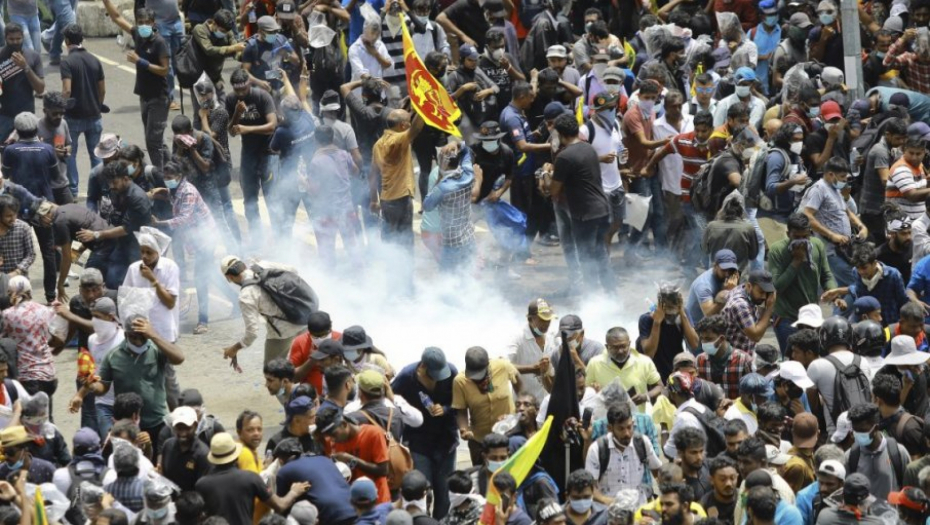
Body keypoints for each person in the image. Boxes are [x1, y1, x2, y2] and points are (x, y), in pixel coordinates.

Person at [72, 315, 184, 456]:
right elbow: (103, 388)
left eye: (142, 337)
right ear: (126, 335)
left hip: (156, 421)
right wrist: (91, 387)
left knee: (158, 462)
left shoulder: (156, 350)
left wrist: (154, 335)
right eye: (134, 337)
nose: (138, 342)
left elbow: (179, 358)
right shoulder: (113, 356)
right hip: (128, 426)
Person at [546, 112, 615, 293]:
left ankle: (591, 300)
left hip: (585, 215)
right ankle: (611, 295)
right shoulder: (589, 148)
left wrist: (545, 175)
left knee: (586, 259)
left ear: (560, 134)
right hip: (603, 209)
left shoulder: (564, 156)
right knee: (600, 256)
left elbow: (553, 190)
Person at [99, 1, 170, 171]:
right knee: (155, 138)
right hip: (144, 96)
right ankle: (171, 167)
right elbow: (117, 17)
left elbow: (164, 70)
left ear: (153, 24)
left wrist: (141, 62)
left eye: (147, 23)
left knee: (152, 141)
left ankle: (161, 176)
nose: (143, 26)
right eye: (140, 23)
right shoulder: (138, 35)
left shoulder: (159, 43)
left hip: (159, 97)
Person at [391, 347, 458, 519]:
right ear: (422, 368)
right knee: (422, 490)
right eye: (432, 377)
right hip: (419, 443)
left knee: (444, 492)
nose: (436, 381)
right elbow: (391, 400)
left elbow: (459, 402)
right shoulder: (406, 376)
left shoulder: (451, 372)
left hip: (446, 442)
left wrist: (445, 409)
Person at [2, 112, 60, 304]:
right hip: (43, 206)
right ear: (36, 129)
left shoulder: (10, 151)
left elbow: (7, 175)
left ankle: (14, 293)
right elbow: (55, 176)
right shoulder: (47, 149)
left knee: (16, 251)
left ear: (17, 130)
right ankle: (51, 295)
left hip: (17, 209)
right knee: (48, 251)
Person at [195, 433, 309, 525]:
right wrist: (294, 492)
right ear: (236, 455)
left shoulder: (201, 484)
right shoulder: (251, 478)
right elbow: (280, 505)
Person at [370, 109, 425, 294]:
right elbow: (415, 129)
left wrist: (373, 200)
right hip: (400, 201)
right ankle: (405, 289)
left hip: (386, 201)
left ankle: (392, 287)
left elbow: (372, 174)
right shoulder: (398, 140)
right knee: (405, 246)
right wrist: (426, 108)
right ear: (402, 126)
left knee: (390, 245)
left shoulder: (379, 143)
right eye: (408, 121)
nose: (410, 123)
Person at [219, 256, 309, 365]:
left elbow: (252, 333)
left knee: (272, 372)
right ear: (243, 265)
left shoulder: (246, 295)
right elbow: (293, 270)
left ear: (229, 277)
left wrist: (235, 348)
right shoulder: (263, 265)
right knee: (306, 364)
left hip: (282, 332)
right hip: (304, 317)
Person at [767, 213, 837, 351]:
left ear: (810, 233)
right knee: (790, 360)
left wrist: (834, 293)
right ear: (788, 234)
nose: (802, 241)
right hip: (787, 318)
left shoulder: (817, 246)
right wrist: (796, 261)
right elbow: (777, 287)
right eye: (796, 237)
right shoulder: (777, 251)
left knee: (813, 356)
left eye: (805, 237)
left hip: (811, 317)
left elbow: (826, 275)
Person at [79, 162, 153, 288]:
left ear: (125, 178)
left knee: (135, 282)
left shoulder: (137, 198)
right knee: (109, 278)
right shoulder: (116, 190)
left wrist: (97, 235)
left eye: (114, 182)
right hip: (120, 243)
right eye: (109, 182)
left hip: (137, 246)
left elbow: (126, 229)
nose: (111, 186)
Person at [225, 68, 277, 243]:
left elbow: (272, 126)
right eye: (237, 90)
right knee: (249, 198)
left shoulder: (262, 97)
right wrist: (237, 114)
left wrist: (248, 129)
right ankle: (257, 238)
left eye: (244, 89)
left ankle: (279, 236)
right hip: (249, 153)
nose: (241, 93)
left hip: (268, 152)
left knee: (272, 196)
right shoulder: (231, 100)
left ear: (249, 84)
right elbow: (231, 131)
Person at [801, 157, 869, 287]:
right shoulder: (819, 189)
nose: (844, 180)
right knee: (857, 285)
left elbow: (847, 211)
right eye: (842, 176)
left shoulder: (835, 189)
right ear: (831, 174)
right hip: (831, 249)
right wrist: (832, 235)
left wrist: (861, 226)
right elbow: (807, 216)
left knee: (846, 289)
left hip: (845, 248)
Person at [453, 346, 521, 466]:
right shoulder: (460, 382)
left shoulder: (503, 366)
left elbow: (518, 380)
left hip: (508, 436)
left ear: (488, 364)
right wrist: (464, 429)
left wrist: (519, 407)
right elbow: (461, 411)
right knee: (481, 478)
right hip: (479, 441)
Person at [60, 24, 105, 198]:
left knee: (70, 155)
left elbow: (66, 90)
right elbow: (102, 89)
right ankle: (99, 190)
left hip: (73, 118)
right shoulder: (94, 60)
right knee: (97, 155)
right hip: (94, 116)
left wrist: (62, 108)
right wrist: (97, 105)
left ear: (67, 41)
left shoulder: (67, 62)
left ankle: (72, 191)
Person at [585, 404, 661, 506]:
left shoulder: (642, 442)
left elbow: (658, 473)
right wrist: (609, 502)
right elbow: (590, 487)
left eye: (629, 427)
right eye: (621, 429)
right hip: (609, 512)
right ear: (610, 428)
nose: (627, 433)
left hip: (638, 510)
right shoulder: (597, 449)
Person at [316, 406, 391, 503]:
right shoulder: (331, 442)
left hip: (377, 501)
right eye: (328, 436)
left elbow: (383, 470)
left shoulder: (373, 433)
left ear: (343, 424)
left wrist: (351, 459)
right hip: (351, 504)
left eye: (334, 434)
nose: (332, 439)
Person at [272, 438, 355, 525]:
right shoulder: (325, 459)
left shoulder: (284, 471)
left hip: (329, 516)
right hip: (355, 508)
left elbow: (281, 508)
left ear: (280, 460)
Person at [846, 401, 912, 501]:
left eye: (862, 430)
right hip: (864, 516)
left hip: (892, 516)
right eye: (856, 431)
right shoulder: (850, 457)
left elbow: (909, 490)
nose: (858, 435)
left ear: (876, 428)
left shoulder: (898, 452)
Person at [637, 284, 699, 383]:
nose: (671, 312)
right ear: (660, 305)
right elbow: (649, 353)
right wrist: (657, 323)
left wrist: (682, 314)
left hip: (676, 370)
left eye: (674, 307)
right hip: (655, 374)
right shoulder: (647, 319)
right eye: (668, 307)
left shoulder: (682, 315)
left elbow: (694, 343)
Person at [860, 118, 908, 243]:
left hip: (883, 208)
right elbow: (885, 181)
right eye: (898, 138)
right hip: (873, 210)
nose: (901, 142)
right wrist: (909, 186)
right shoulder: (880, 151)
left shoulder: (894, 149)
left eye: (904, 138)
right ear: (888, 135)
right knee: (877, 244)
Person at [0, 23, 45, 142]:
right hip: (4, 116)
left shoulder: (33, 56)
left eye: (18, 39)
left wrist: (25, 67)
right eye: (11, 39)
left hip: (27, 116)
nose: (15, 42)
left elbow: (40, 89)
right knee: (5, 153)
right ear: (5, 38)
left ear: (23, 38)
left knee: (27, 153)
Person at [694, 314, 753, 400]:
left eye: (708, 339)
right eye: (702, 338)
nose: (704, 342)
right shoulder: (699, 361)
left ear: (721, 338)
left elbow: (752, 393)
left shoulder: (743, 360)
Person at [720, 270, 777, 354]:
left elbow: (722, 295)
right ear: (749, 286)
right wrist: (769, 308)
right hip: (733, 359)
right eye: (761, 292)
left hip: (745, 353)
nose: (764, 297)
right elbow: (756, 336)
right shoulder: (740, 305)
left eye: (767, 293)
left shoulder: (743, 288)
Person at [158, 407, 210, 492]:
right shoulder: (168, 446)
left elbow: (204, 489)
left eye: (187, 428)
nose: (183, 433)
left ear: (195, 426)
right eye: (179, 428)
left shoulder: (203, 454)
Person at [37, 93, 75, 207]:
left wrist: (66, 151)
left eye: (61, 113)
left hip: (62, 183)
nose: (59, 116)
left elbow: (69, 144)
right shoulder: (36, 128)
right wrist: (52, 153)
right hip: (44, 185)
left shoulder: (63, 123)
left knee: (71, 214)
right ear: (45, 111)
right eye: (55, 113)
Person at [686, 249, 740, 326]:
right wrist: (727, 292)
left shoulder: (731, 277)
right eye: (724, 270)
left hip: (717, 324)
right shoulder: (703, 285)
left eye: (731, 270)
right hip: (697, 327)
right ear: (715, 266)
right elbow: (709, 315)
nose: (727, 274)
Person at [0, 196, 36, 279]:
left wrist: (17, 271)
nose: (13, 219)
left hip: (19, 279)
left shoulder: (23, 228)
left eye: (15, 214)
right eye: (8, 216)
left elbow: (30, 255)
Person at [701, 456, 739, 522]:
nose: (728, 483)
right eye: (723, 479)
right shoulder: (703, 505)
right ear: (711, 480)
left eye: (732, 478)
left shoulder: (744, 498)